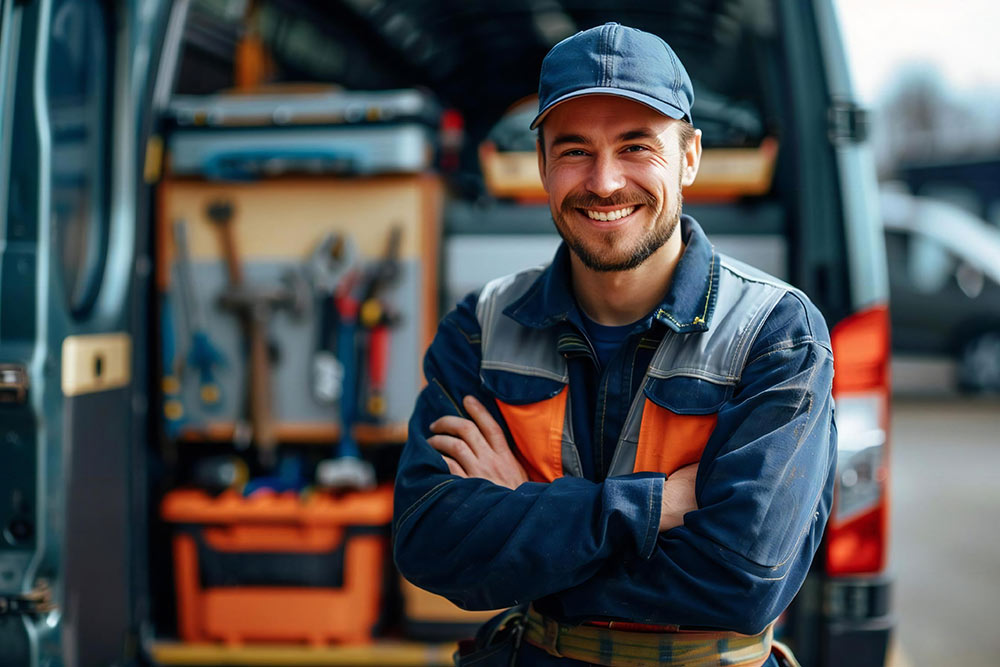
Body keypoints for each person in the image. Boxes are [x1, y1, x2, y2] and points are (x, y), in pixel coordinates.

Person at [393, 22, 835, 667]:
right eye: (573, 150)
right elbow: (431, 541)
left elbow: (744, 579)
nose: (603, 182)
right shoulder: (482, 326)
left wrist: (522, 516)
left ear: (689, 156)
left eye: (636, 147)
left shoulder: (775, 332)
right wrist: (656, 506)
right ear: (541, 164)